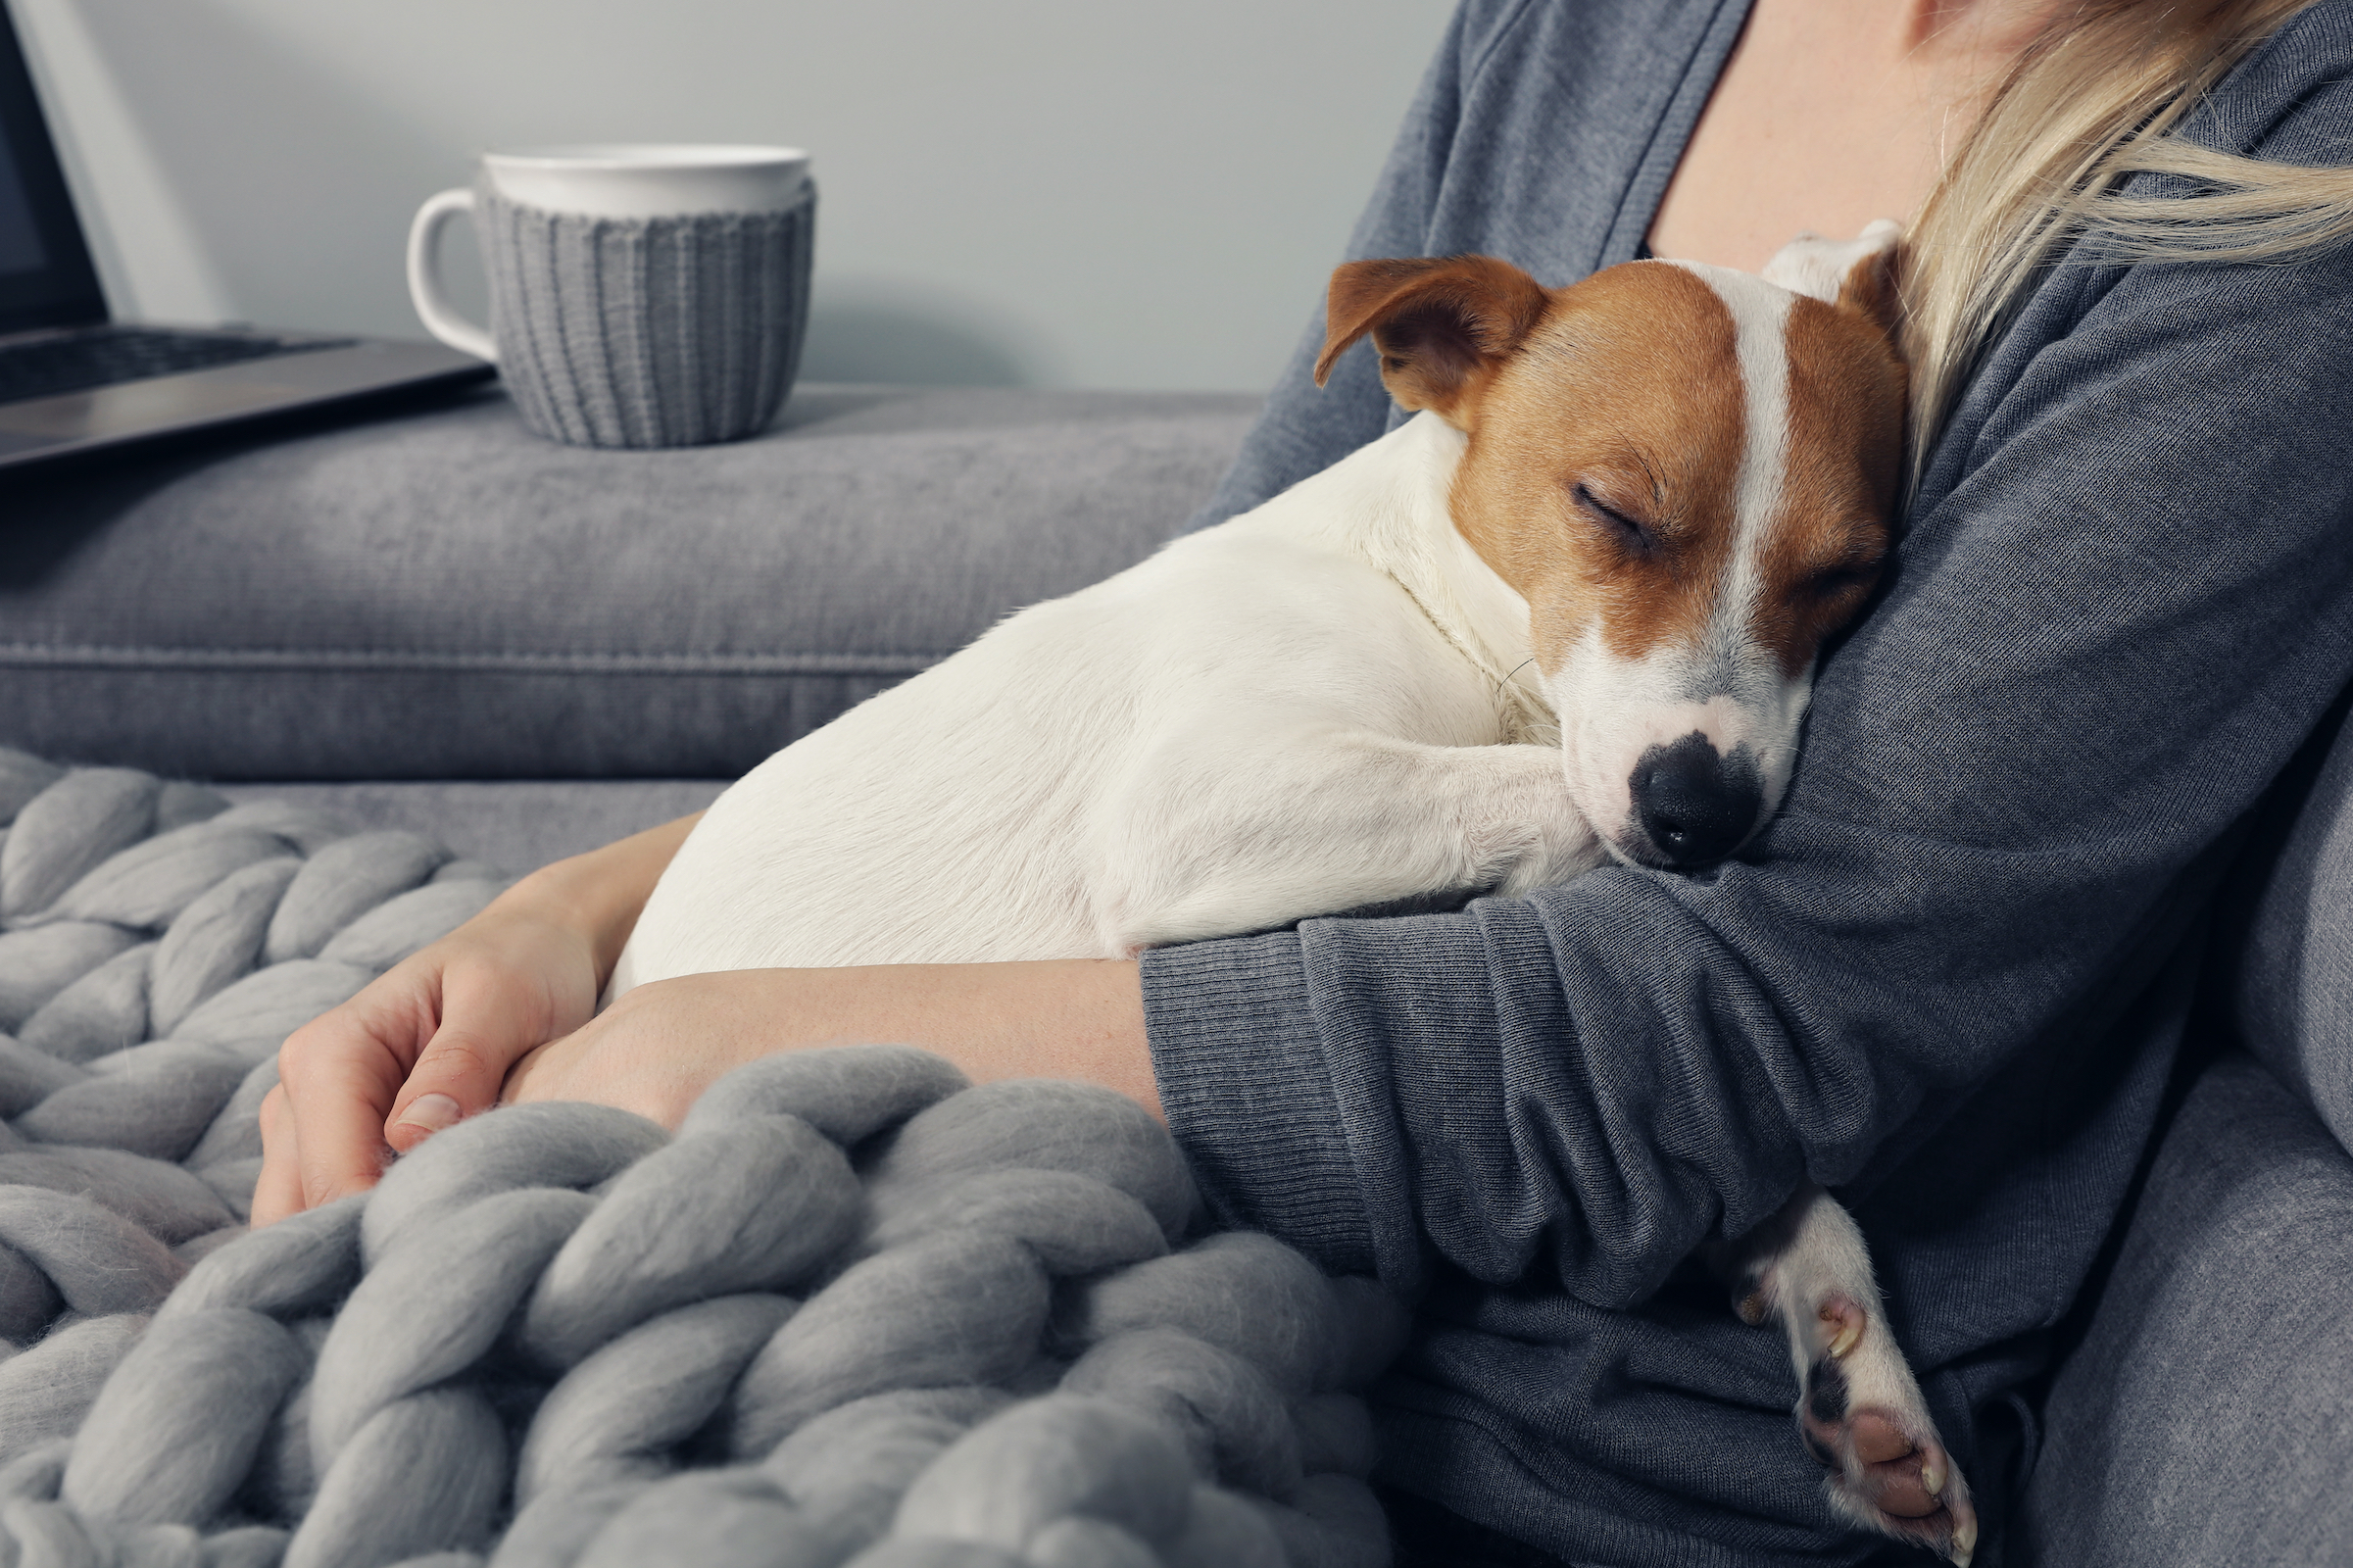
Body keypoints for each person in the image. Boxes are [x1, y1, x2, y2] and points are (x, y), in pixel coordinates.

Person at [256, 0, 2353, 1561]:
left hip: (1529, 1425)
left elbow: (1745, 1022)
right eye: (1619, 523)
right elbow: (1197, 631)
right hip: (982, 1182)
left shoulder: (2283, 166)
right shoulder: (1601, 22)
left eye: (1822, 592)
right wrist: (580, 918)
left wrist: (756, 1037)